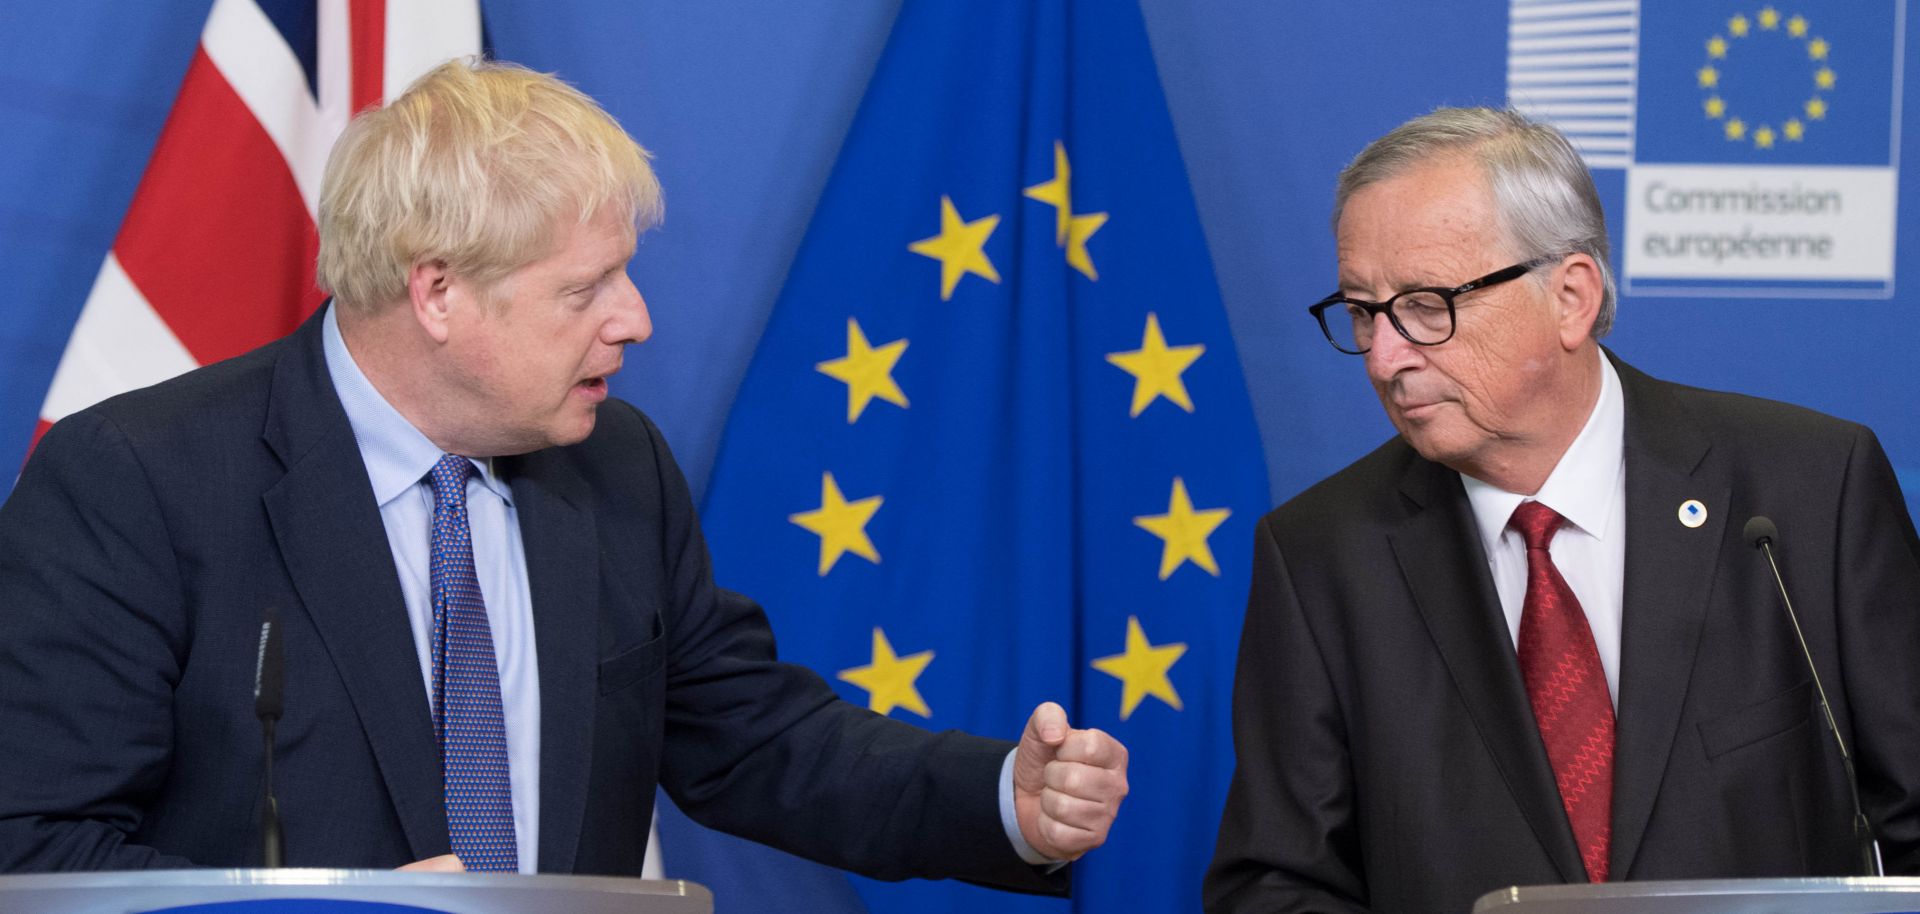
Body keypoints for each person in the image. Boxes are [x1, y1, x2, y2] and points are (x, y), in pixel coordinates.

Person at [0, 59, 1127, 885]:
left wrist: (1004, 798)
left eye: (624, 275)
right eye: (585, 289)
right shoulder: (138, 482)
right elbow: (31, 846)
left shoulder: (617, 466)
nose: (633, 321)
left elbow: (756, 738)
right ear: (437, 291)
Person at [1204, 107, 1920, 914]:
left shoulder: (1807, 493)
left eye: (1427, 305)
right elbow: (1276, 885)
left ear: (1571, 296)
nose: (1383, 355)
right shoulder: (1322, 557)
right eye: (1364, 311)